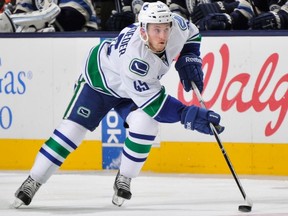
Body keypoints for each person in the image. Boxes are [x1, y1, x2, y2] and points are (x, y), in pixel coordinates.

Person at [13, 1, 224, 208]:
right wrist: (190, 116)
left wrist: (189, 55)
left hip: (133, 90)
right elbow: (157, 107)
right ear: (143, 30)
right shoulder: (136, 60)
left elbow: (193, 33)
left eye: (165, 29)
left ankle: (125, 177)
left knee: (146, 125)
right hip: (100, 83)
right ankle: (34, 179)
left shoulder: (176, 25)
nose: (163, 36)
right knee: (72, 131)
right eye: (156, 30)